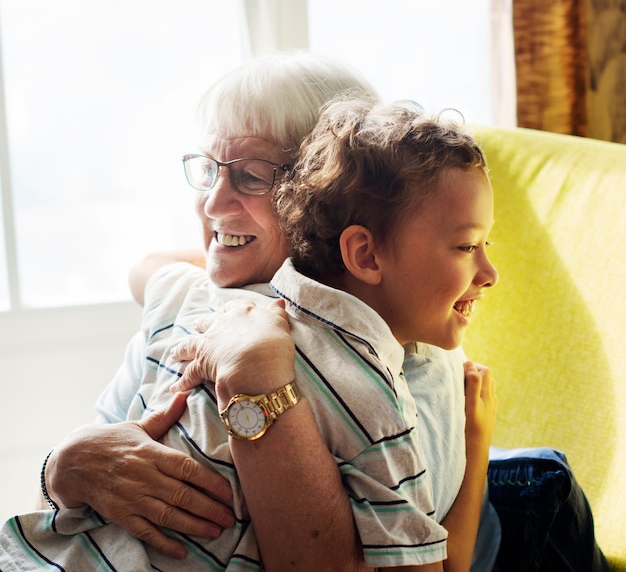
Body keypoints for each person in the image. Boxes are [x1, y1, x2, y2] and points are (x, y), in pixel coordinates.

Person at [31, 53, 607, 571]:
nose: (211, 202)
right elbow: (67, 516)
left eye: (250, 176)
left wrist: (475, 444)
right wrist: (63, 466)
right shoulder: (196, 309)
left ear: (328, 192)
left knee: (540, 477)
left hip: (485, 526)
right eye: (209, 168)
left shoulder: (397, 368)